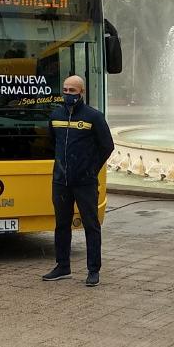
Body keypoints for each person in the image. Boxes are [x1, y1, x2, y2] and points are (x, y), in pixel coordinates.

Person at [42, 75, 114, 286]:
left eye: (72, 91)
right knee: (61, 225)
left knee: (91, 226)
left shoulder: (94, 117)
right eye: (65, 90)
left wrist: (91, 169)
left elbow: (107, 146)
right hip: (60, 181)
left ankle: (93, 270)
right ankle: (62, 266)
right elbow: (52, 142)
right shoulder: (55, 115)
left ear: (81, 92)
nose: (68, 94)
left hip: (85, 182)